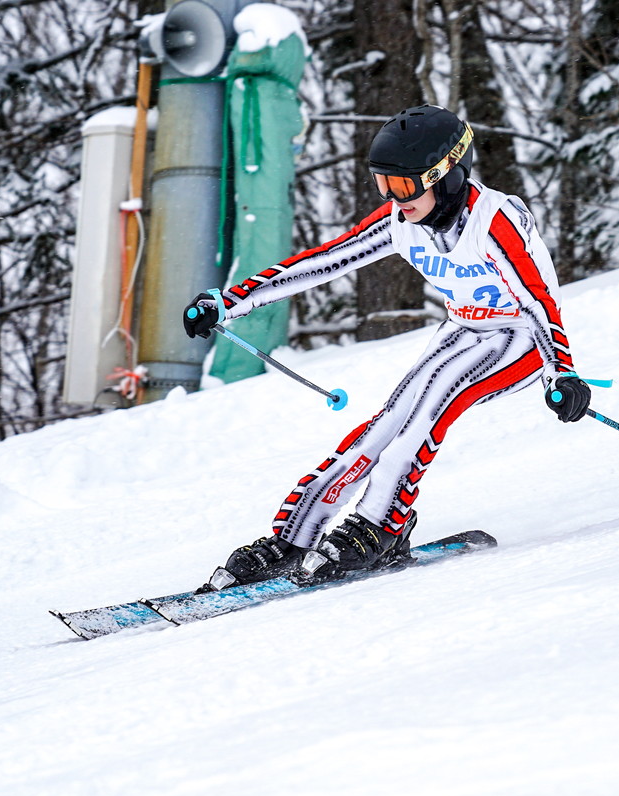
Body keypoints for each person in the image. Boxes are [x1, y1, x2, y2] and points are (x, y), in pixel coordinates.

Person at [182, 104, 589, 592]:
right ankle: (293, 538)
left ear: (449, 175)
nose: (395, 199)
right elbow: (324, 261)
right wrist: (230, 301)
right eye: (383, 185)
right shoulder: (403, 221)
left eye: (404, 186)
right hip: (463, 329)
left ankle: (382, 526)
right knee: (387, 422)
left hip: (521, 338)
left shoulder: (493, 221)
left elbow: (538, 302)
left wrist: (560, 372)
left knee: (431, 407)